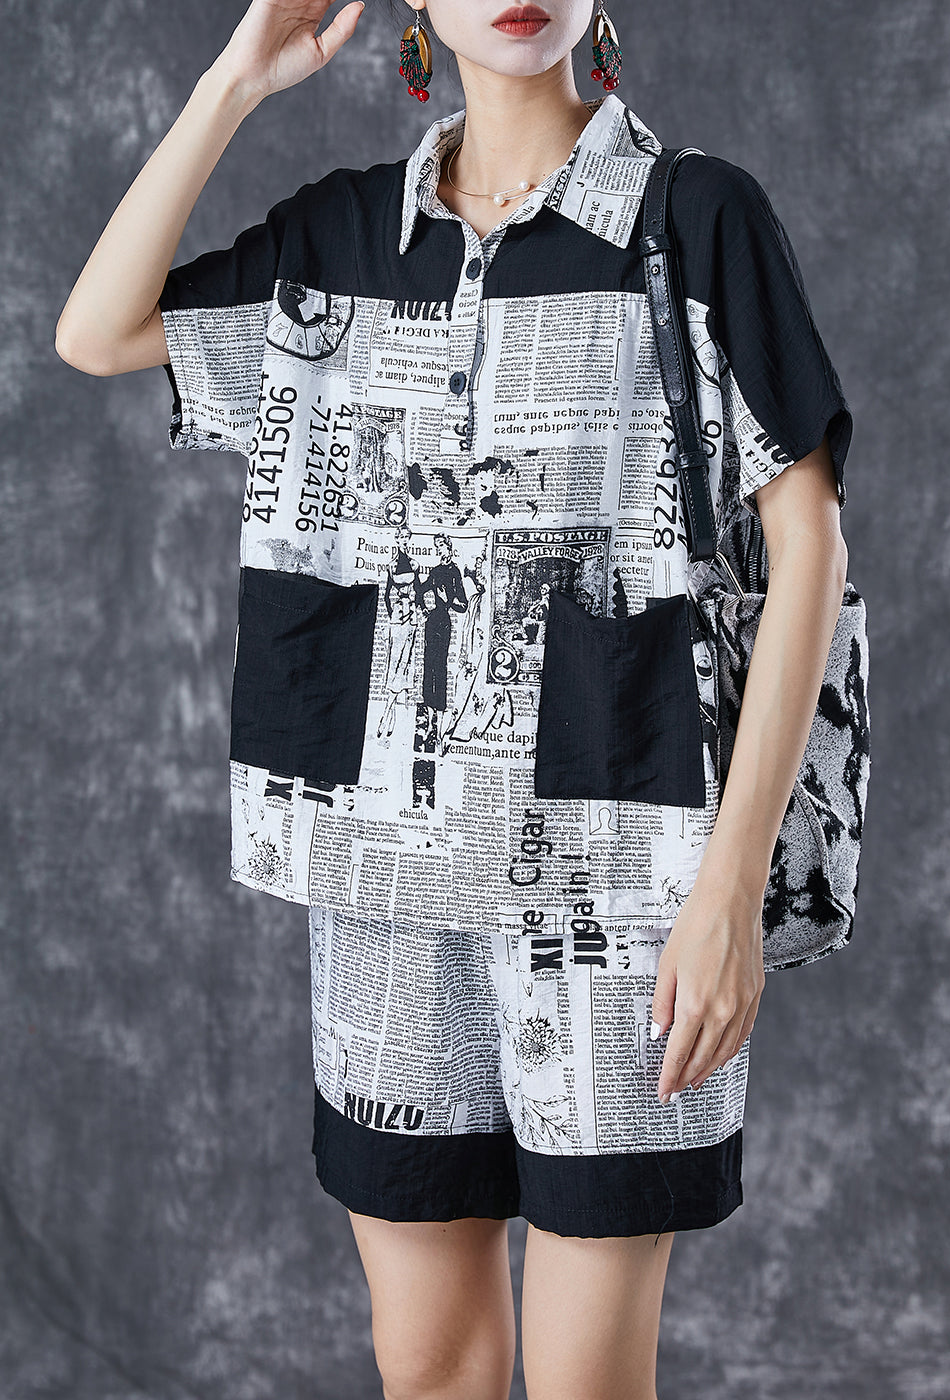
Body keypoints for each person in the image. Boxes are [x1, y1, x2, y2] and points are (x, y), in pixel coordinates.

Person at [54, 2, 854, 1397]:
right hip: (385, 890)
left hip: (627, 892)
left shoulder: (696, 219)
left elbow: (810, 552)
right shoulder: (346, 238)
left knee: (588, 1381)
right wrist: (236, 80)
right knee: (427, 1368)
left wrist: (729, 890)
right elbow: (98, 330)